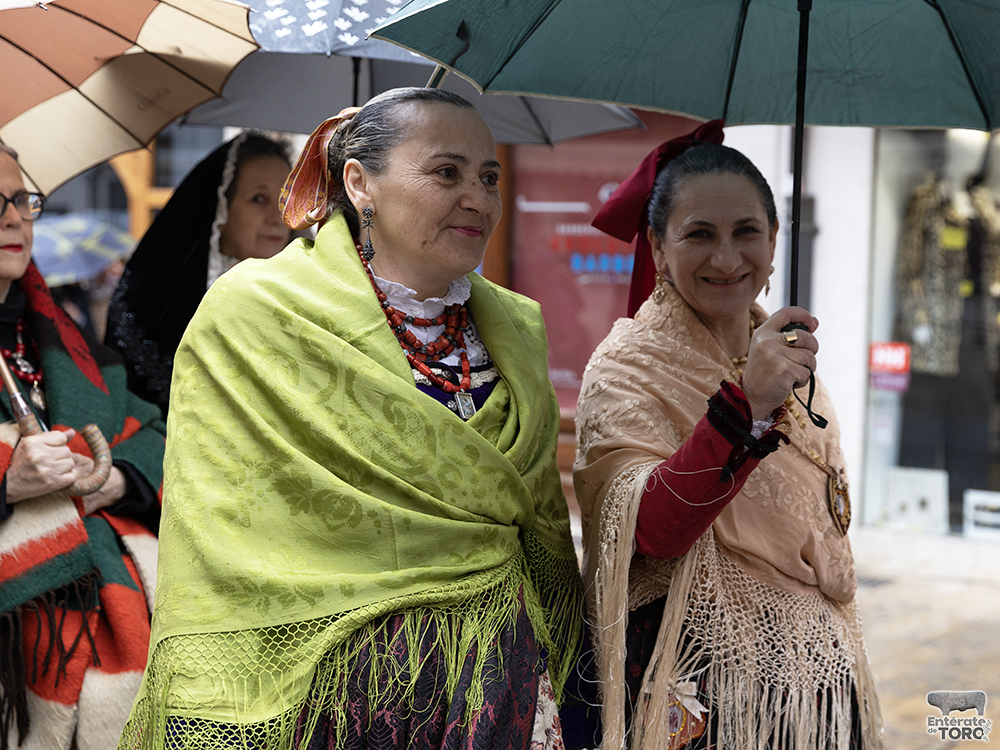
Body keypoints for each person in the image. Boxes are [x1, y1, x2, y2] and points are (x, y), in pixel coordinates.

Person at [118, 88, 589, 750]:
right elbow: (219, 529)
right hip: (327, 700)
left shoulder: (517, 325)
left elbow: (540, 526)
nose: (479, 198)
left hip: (497, 689)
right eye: (446, 172)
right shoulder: (256, 313)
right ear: (360, 183)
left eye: (490, 177)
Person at [573, 121, 884, 749]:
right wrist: (744, 407)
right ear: (659, 249)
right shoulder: (627, 363)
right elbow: (652, 532)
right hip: (696, 688)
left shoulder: (796, 369)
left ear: (774, 241)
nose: (726, 258)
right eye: (699, 235)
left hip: (817, 690)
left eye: (746, 232)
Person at [0, 145, 165, 749]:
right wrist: (8, 480)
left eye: (23, 200)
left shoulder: (68, 345)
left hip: (106, 630)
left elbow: (155, 436)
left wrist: (114, 479)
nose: (17, 218)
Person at [106, 132, 292, 417]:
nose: (277, 215)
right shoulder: (164, 302)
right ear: (219, 207)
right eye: (258, 198)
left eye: (285, 198)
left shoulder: (305, 296)